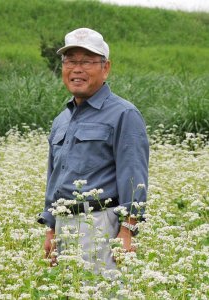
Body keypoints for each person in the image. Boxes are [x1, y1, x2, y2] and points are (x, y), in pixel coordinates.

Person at [37, 28, 149, 274]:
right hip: (63, 226)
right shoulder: (61, 119)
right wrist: (50, 229)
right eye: (71, 61)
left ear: (105, 67)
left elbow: (134, 177)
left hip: (101, 224)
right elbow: (53, 179)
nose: (77, 69)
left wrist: (127, 230)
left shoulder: (124, 114)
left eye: (87, 61)